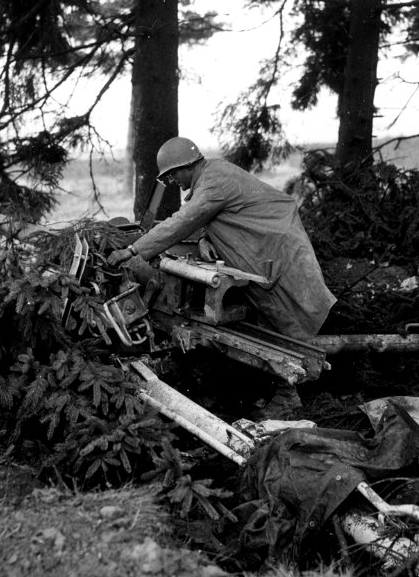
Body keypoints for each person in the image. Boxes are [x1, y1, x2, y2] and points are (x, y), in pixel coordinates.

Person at [107, 136, 336, 418]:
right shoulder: (212, 175)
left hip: (277, 249)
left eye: (173, 174)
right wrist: (205, 236)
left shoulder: (213, 181)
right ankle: (278, 395)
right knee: (271, 320)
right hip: (264, 248)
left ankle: (288, 399)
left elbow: (183, 221)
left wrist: (132, 250)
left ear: (186, 166)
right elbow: (221, 212)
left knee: (283, 323)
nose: (174, 181)